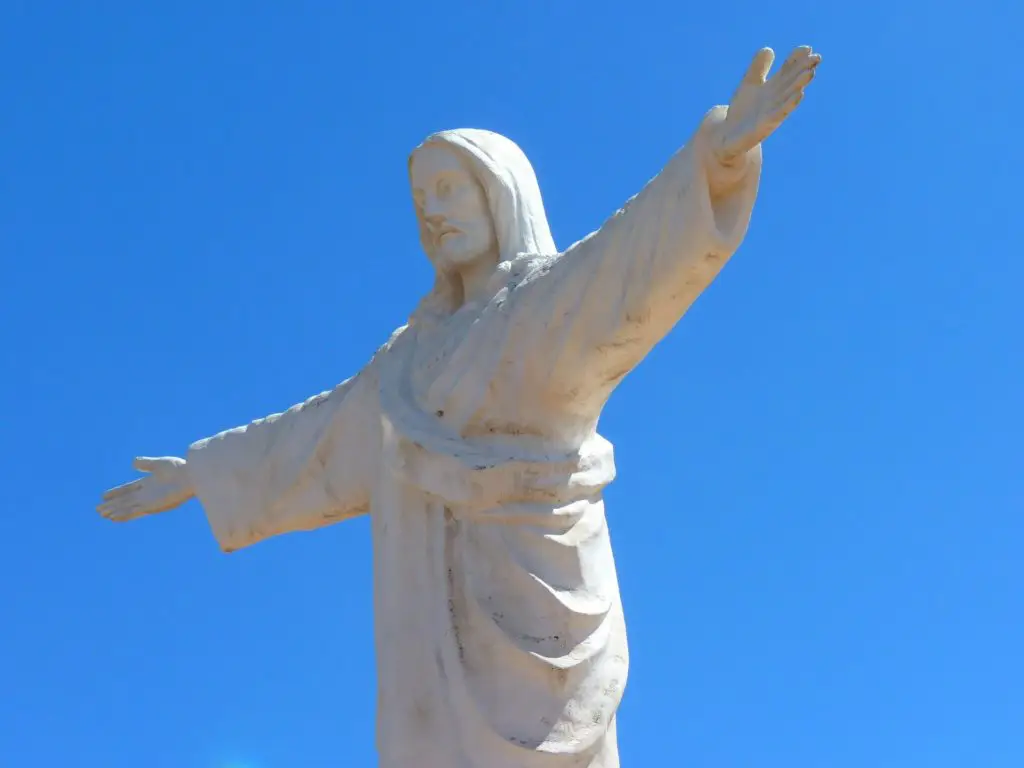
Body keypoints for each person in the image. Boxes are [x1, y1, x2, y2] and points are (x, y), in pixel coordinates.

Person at [99, 46, 821, 768]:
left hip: (532, 635)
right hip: (424, 651)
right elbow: (315, 439)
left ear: (499, 191)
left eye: (449, 189)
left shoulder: (540, 309)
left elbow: (628, 264)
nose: (433, 214)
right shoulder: (405, 364)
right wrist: (202, 473)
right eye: (422, 203)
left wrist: (715, 161)